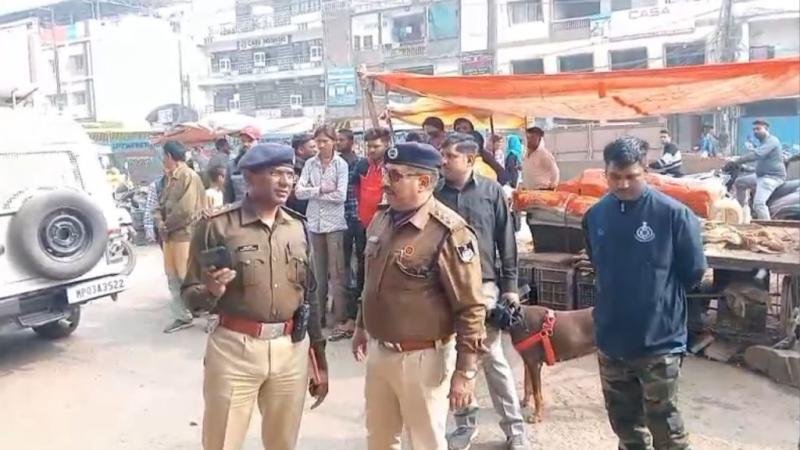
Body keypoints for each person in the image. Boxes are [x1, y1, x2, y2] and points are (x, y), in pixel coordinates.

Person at [182, 143, 329, 450]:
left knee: (283, 442)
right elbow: (189, 295)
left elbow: (310, 296)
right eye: (275, 173)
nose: (286, 182)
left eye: (290, 174)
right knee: (222, 441)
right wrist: (211, 292)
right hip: (235, 348)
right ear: (249, 177)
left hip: (291, 349)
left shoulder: (298, 228)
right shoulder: (216, 226)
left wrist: (318, 358)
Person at [351, 142, 487, 450]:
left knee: (425, 442)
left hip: (424, 358)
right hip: (381, 352)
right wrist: (361, 324)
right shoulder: (382, 218)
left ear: (423, 182)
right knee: (379, 439)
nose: (385, 182)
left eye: (395, 176)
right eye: (386, 173)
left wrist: (465, 371)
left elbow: (470, 307)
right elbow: (371, 280)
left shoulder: (448, 232)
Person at [581, 136, 706, 450]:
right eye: (615, 176)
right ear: (605, 173)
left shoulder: (673, 215)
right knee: (625, 425)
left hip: (659, 339)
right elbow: (598, 264)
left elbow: (693, 271)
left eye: (631, 176)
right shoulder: (595, 216)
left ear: (646, 171)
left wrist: (656, 296)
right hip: (611, 338)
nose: (622, 184)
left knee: (665, 424)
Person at [436, 139, 529, 450]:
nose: (444, 161)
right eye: (443, 155)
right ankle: (465, 425)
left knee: (491, 356)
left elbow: (507, 241)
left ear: (470, 159)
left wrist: (511, 288)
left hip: (484, 286)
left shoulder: (491, 191)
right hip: (445, 287)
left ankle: (514, 429)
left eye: (450, 156)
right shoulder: (435, 194)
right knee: (454, 357)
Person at [330, 127, 389, 342]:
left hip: (387, 227)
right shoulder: (363, 165)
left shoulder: (392, 166)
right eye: (369, 146)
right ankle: (359, 320)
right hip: (365, 226)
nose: (372, 150)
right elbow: (355, 191)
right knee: (363, 273)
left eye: (376, 146)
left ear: (386, 145)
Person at [295, 125, 349, 329]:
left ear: (334, 142)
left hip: (334, 224)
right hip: (314, 223)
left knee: (337, 273)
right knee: (317, 273)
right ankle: (318, 318)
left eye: (325, 141)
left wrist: (313, 193)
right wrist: (320, 189)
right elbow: (299, 192)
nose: (321, 145)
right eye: (318, 142)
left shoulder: (340, 165)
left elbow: (340, 195)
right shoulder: (310, 164)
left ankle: (339, 317)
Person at [156, 140, 206, 333]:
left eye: (164, 156)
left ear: (169, 156)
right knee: (172, 277)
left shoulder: (188, 176)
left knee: (189, 277)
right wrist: (160, 222)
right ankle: (182, 315)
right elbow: (160, 205)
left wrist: (165, 225)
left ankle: (209, 313)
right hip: (170, 236)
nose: (163, 160)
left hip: (185, 235)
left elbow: (185, 210)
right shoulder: (169, 177)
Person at [337, 128, 366, 335]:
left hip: (360, 218)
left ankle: (359, 313)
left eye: (342, 139)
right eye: (337, 139)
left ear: (351, 141)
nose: (339, 143)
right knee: (345, 266)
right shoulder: (336, 164)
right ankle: (348, 313)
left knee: (361, 264)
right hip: (342, 218)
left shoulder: (360, 164)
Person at [731, 119, 787, 220]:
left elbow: (757, 155)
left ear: (766, 129)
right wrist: (745, 168)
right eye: (754, 129)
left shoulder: (772, 141)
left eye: (758, 129)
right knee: (740, 182)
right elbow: (761, 162)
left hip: (772, 177)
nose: (755, 131)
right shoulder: (763, 142)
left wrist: (737, 161)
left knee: (759, 204)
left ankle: (767, 226)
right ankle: (742, 211)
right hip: (760, 176)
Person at [223, 126, 261, 204]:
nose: (246, 144)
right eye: (243, 141)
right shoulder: (232, 166)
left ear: (258, 141)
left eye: (250, 141)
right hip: (240, 209)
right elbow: (227, 196)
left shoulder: (267, 165)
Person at [286, 133, 318, 215]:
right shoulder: (293, 169)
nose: (316, 150)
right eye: (312, 147)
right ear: (300, 150)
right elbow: (292, 194)